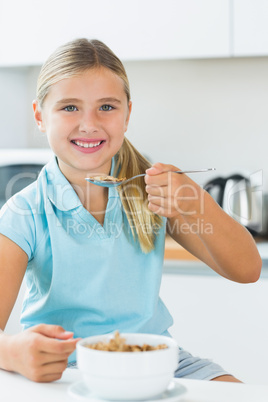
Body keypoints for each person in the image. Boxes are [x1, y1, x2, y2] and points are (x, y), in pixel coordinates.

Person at [0, 38, 261, 383]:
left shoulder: (152, 195)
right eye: (69, 107)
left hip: (158, 361)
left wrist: (195, 202)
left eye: (106, 107)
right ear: (40, 116)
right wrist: (14, 353)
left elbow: (247, 270)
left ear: (127, 114)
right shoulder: (23, 213)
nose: (89, 124)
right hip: (68, 371)